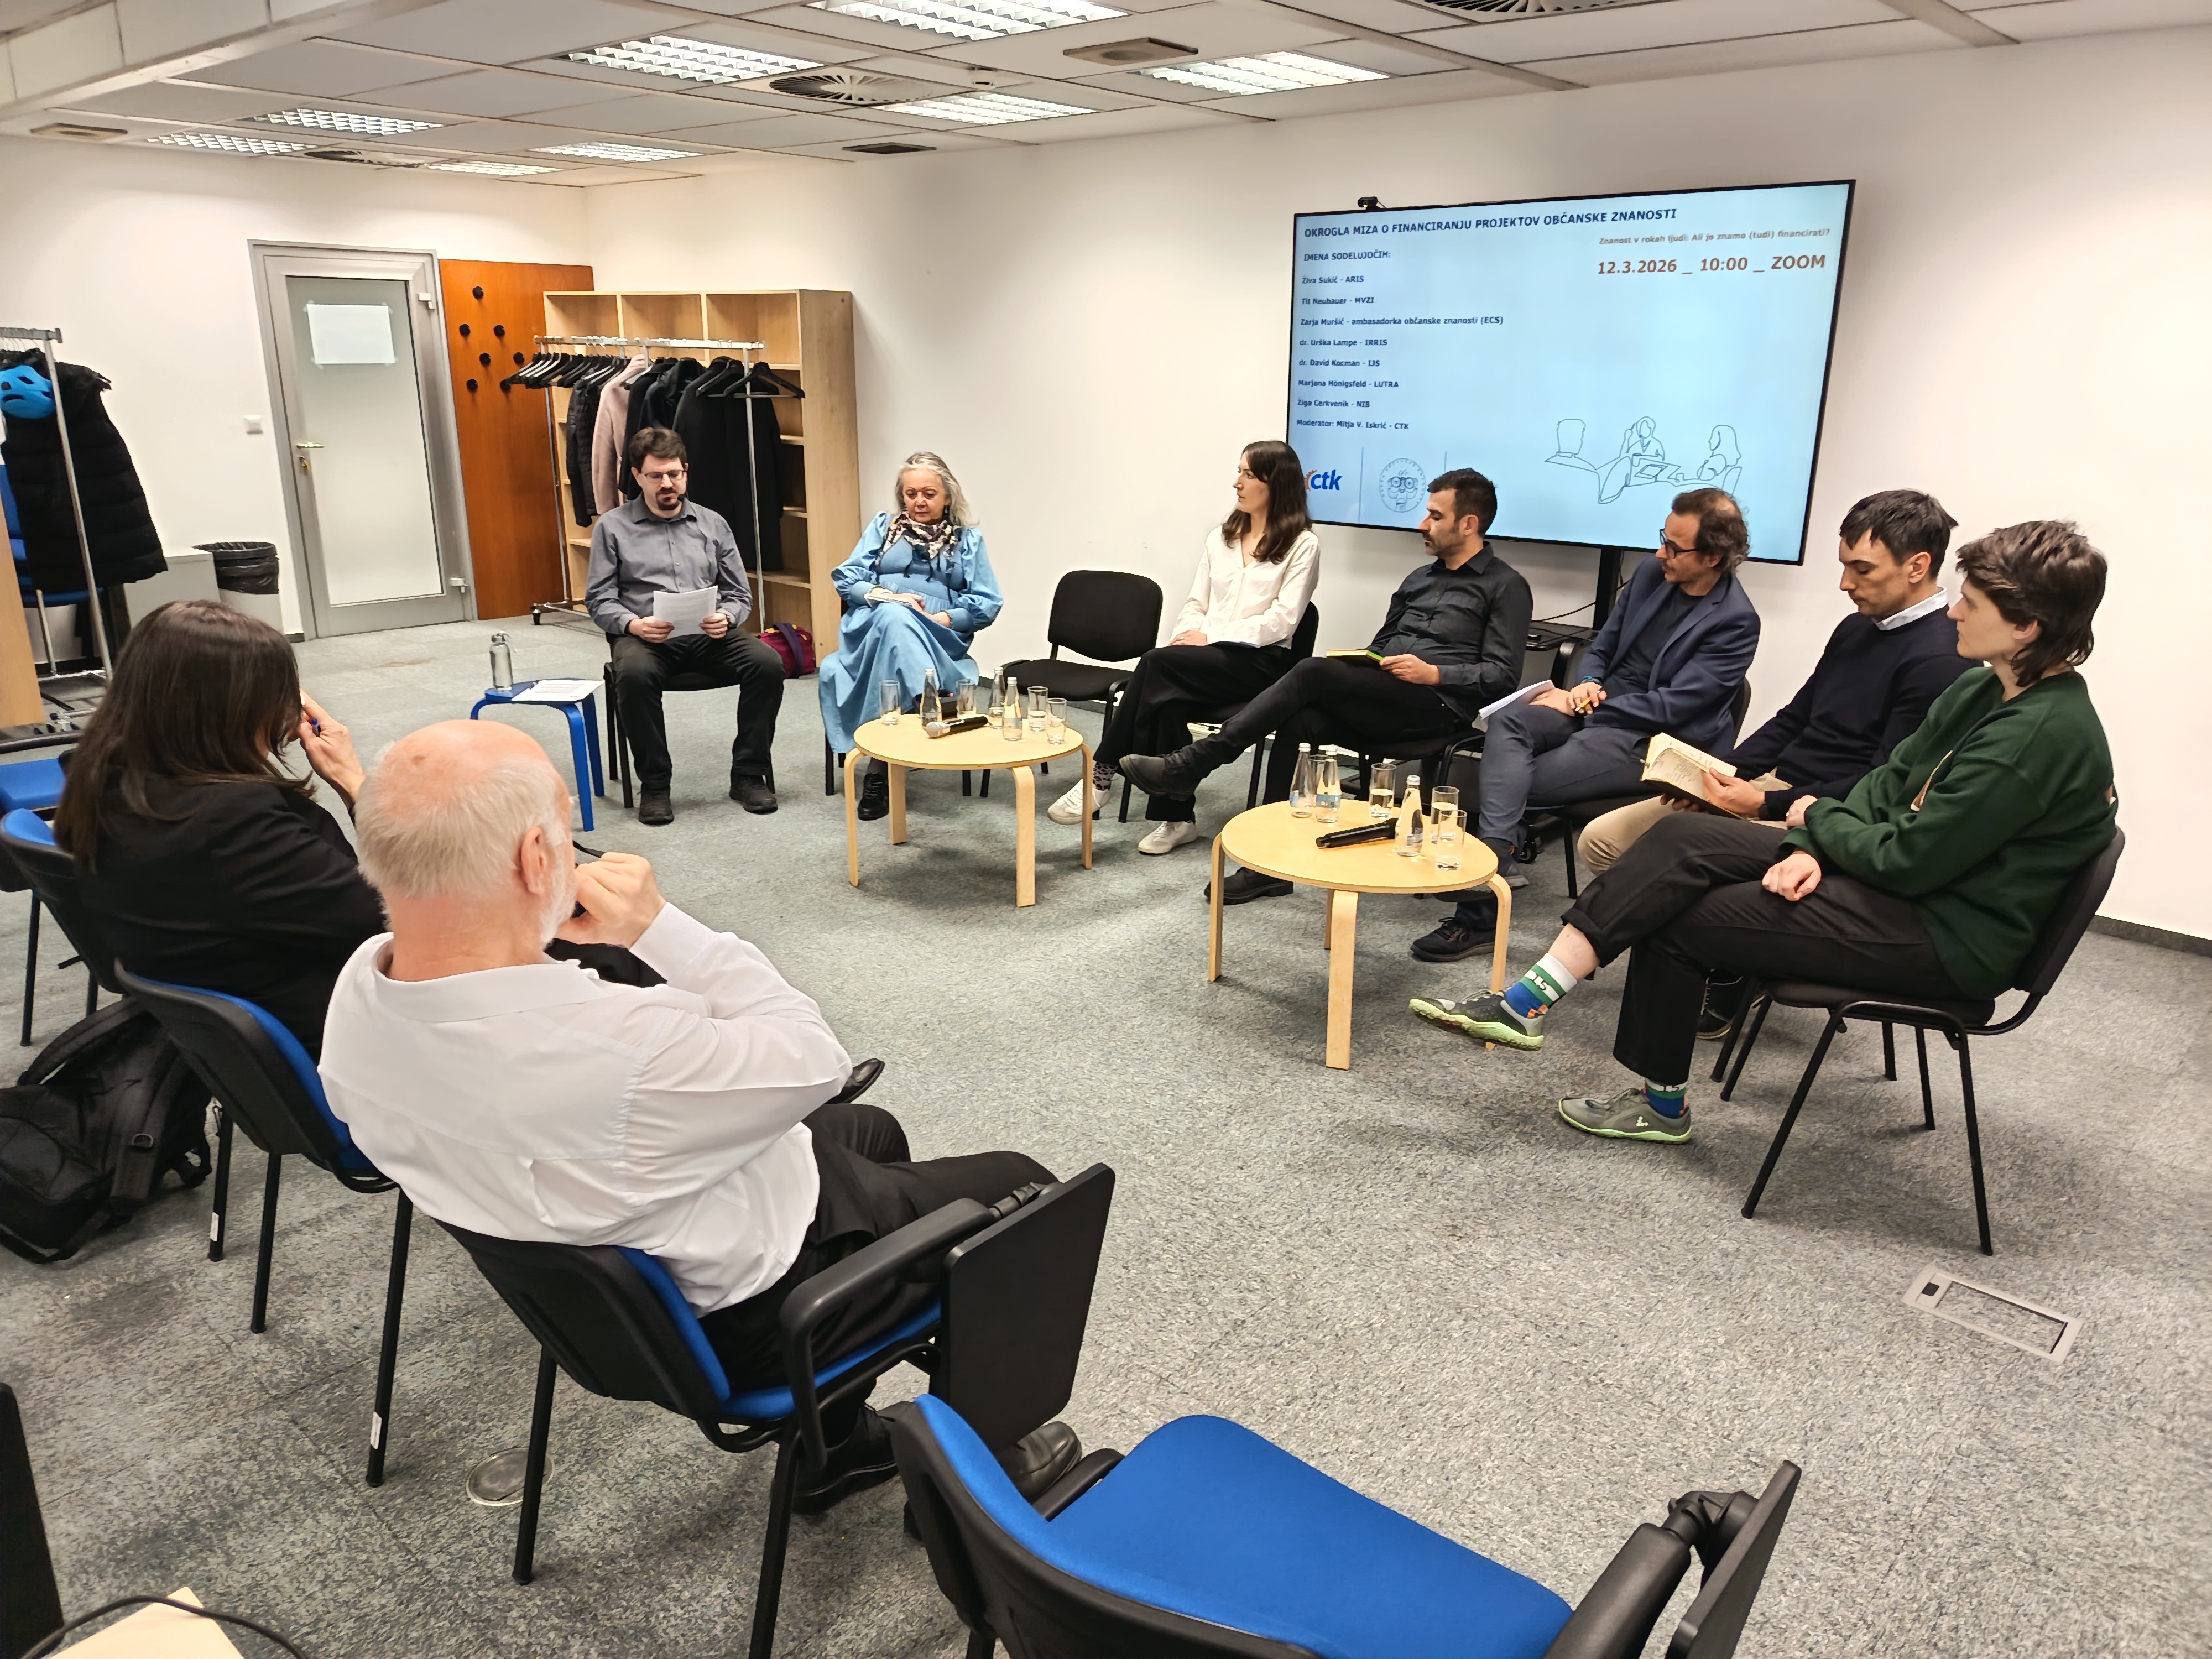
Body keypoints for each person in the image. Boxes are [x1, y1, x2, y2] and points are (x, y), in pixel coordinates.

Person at [319, 721, 1077, 1511]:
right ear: (538, 859)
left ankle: (835, 1445)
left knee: (873, 1132)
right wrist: (657, 926)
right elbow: (815, 1058)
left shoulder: (359, 996)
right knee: (1029, 1191)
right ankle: (973, 1487)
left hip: (608, 1293)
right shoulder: (617, 1051)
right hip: (756, 1313)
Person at [1410, 519, 2115, 1147]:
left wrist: (1814, 823)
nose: (1955, 610)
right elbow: (1888, 784)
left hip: (1948, 935)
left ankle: (1651, 1100)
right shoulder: (1983, 687)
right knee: (1678, 844)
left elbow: (1912, 859)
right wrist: (1811, 842)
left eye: (1973, 604)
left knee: (1678, 914)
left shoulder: (2038, 735)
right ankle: (1529, 1005)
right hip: (1907, 883)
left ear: (2025, 627)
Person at [1119, 468, 1531, 904]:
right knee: (1301, 720)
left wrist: (1436, 674)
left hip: (1439, 707)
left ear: (1468, 524)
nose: (1422, 524)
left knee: (1312, 672)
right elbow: (1382, 645)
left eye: (1435, 516)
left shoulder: (1505, 587)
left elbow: (1502, 676)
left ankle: (1195, 762)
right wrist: (1365, 662)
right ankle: (1268, 868)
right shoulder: (1419, 579)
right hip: (1389, 697)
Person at [1409, 486, 1760, 964]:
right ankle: (1495, 874)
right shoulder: (1651, 575)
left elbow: (1676, 707)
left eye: (1675, 548)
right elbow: (1604, 643)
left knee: (1511, 784)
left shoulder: (1737, 621)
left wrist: (1591, 707)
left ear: (1714, 556)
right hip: (1596, 709)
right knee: (1510, 723)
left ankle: (1482, 902)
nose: (1661, 554)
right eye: (1663, 539)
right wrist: (1589, 683)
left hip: (1650, 741)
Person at [1578, 488, 1971, 911]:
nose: (1845, 584)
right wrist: (1720, 776)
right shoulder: (1858, 626)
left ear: (1917, 566)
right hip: (1774, 787)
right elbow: (1794, 718)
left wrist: (1766, 803)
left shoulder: (1940, 661)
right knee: (1602, 840)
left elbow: (1883, 782)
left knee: (1668, 859)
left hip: (1827, 814)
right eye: (1844, 566)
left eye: (1862, 569)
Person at [54, 599, 378, 1056]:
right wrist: (353, 784)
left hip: (237, 1036)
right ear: (236, 708)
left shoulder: (107, 779)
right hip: (335, 1042)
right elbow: (393, 922)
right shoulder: (232, 823)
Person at [1047, 440, 1320, 854]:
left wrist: (1209, 637)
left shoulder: (1303, 545)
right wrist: (1188, 636)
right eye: (1239, 472)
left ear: (1276, 484)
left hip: (1263, 663)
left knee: (1157, 666)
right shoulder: (1221, 538)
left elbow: (1282, 621)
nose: (1237, 483)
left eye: (1248, 475)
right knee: (1165, 699)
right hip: (1208, 659)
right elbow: (1196, 603)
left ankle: (1101, 775)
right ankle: (1178, 820)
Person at [588, 426, 785, 827]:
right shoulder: (612, 527)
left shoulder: (712, 523)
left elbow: (739, 594)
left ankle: (749, 775)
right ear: (638, 476)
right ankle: (655, 785)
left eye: (674, 474)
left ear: (686, 471)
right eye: (656, 476)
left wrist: (727, 617)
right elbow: (599, 599)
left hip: (708, 636)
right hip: (646, 638)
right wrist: (633, 624)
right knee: (634, 675)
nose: (667, 484)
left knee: (768, 664)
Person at [818, 452, 1002, 823]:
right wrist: (886, 597)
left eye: (929, 494)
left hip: (937, 633)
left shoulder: (968, 540)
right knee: (894, 614)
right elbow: (847, 578)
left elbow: (987, 601)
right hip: (872, 624)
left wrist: (943, 617)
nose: (919, 501)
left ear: (947, 497)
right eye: (911, 493)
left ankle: (879, 770)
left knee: (900, 620)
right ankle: (931, 703)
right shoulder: (883, 527)